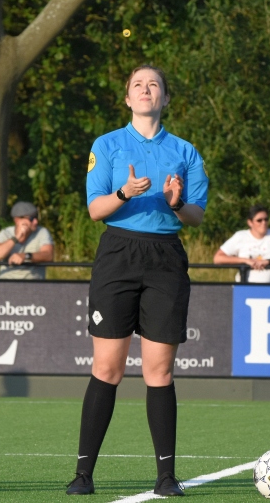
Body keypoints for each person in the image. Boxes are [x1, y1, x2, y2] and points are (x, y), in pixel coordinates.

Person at [66, 64, 208, 497]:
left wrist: (177, 201)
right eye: (138, 86)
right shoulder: (107, 145)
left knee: (158, 371)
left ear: (165, 99)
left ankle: (166, 476)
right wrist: (125, 193)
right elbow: (94, 210)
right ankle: (83, 474)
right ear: (128, 99)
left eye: (154, 86)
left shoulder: (185, 150)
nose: (146, 91)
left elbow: (196, 216)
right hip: (118, 255)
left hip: (165, 257)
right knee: (107, 368)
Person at [213, 205, 270, 283]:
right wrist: (245, 261)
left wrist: (268, 262)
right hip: (244, 288)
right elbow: (218, 258)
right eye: (259, 220)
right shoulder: (240, 236)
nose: (264, 223)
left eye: (266, 219)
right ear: (250, 222)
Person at [0, 201, 54, 279]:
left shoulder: (42, 232)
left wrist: (26, 256)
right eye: (31, 219)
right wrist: (16, 238)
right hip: (7, 284)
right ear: (17, 220)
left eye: (36, 217)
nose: (36, 222)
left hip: (34, 285)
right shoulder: (5, 233)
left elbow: (48, 255)